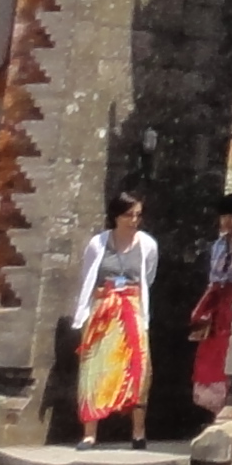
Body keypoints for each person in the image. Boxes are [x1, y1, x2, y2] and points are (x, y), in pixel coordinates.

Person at [72, 188, 159, 446]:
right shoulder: (98, 244)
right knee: (94, 366)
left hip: (131, 308)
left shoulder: (147, 245)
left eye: (138, 215)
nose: (134, 220)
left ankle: (138, 432)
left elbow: (148, 276)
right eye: (128, 215)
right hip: (104, 310)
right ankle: (89, 433)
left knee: (138, 366)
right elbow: (88, 276)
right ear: (116, 216)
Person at [189, 192, 232, 416]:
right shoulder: (219, 246)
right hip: (219, 306)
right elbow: (214, 280)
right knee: (212, 357)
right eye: (224, 216)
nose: (228, 221)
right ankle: (215, 412)